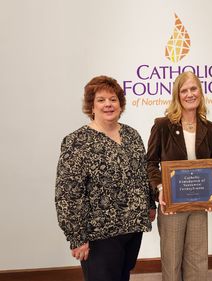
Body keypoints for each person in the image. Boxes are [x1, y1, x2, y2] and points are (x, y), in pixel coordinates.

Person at [55, 75, 156, 281]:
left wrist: (149, 204)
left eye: (113, 99)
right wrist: (77, 237)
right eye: (101, 100)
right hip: (98, 235)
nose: (108, 104)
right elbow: (68, 194)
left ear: (120, 104)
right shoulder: (77, 142)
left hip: (132, 228)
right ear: (91, 106)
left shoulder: (132, 135)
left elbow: (141, 174)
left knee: (123, 276)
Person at [147, 71, 212, 281]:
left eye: (193, 89)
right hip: (171, 205)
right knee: (172, 261)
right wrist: (160, 188)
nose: (189, 94)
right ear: (177, 95)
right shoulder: (162, 125)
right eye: (184, 90)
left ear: (200, 92)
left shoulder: (210, 129)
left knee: (197, 261)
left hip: (199, 205)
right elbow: (150, 163)